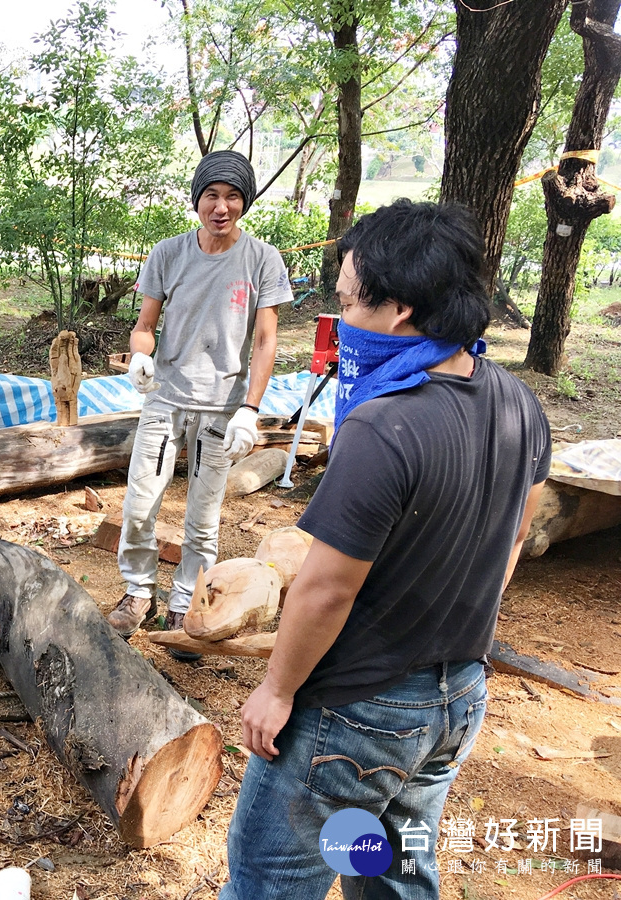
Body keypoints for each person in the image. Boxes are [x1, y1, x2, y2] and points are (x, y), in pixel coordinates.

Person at [219, 199, 551, 900]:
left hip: (356, 716)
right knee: (389, 873)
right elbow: (518, 534)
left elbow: (327, 587)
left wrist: (277, 691)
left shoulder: (385, 426)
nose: (339, 323)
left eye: (346, 304)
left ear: (397, 310)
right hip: (457, 698)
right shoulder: (519, 403)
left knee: (271, 883)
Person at [109, 150, 293, 655]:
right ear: (197, 201)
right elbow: (144, 326)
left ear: (244, 203)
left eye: (233, 196)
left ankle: (189, 600)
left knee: (203, 516)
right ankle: (138, 592)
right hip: (165, 398)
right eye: (211, 195)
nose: (221, 206)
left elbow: (264, 341)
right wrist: (140, 358)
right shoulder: (168, 254)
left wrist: (250, 409)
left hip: (222, 407)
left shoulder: (262, 260)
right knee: (141, 503)